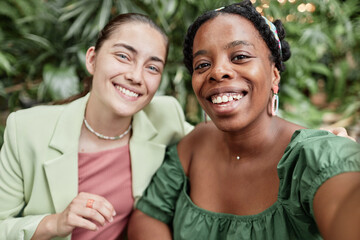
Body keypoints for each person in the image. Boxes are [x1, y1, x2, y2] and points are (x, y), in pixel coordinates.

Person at [128, 1, 360, 239]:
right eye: (203, 65)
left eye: (239, 56)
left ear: (274, 75)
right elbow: (148, 215)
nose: (217, 72)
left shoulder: (311, 155)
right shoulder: (196, 143)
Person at [0, 13, 193, 240]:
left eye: (152, 68)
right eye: (123, 56)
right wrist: (56, 222)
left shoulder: (165, 116)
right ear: (92, 60)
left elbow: (221, 143)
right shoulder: (26, 129)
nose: (136, 76)